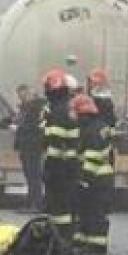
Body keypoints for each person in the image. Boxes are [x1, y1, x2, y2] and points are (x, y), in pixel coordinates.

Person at [40, 69, 81, 241]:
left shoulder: (58, 111)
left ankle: (60, 238)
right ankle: (65, 236)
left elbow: (55, 143)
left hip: (59, 167)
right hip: (70, 166)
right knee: (67, 204)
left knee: (58, 206)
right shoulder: (67, 108)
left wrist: (50, 168)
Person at [73, 93, 115, 255]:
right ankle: (82, 241)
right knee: (86, 210)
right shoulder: (97, 126)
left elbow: (93, 156)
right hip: (98, 177)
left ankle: (97, 245)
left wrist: (83, 179)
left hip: (96, 178)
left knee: (95, 212)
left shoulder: (92, 130)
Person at [14, 84, 47, 212]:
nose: (21, 97)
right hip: (26, 146)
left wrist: (19, 128)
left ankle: (36, 204)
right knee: (29, 176)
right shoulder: (25, 108)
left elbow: (34, 126)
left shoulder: (35, 108)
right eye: (19, 95)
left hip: (33, 145)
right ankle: (30, 202)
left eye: (23, 94)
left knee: (34, 176)